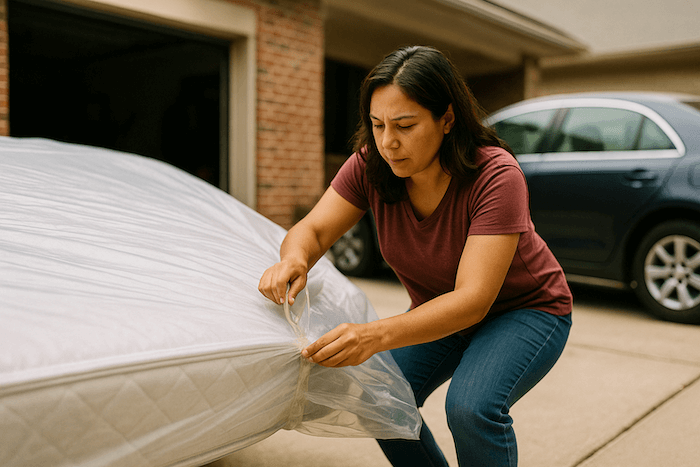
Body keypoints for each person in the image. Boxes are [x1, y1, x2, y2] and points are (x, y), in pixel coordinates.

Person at [258, 45, 572, 467]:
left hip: (526, 311)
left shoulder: (496, 175)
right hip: (439, 311)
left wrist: (372, 336)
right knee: (381, 397)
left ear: (447, 119)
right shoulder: (370, 165)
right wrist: (295, 258)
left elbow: (473, 300)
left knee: (470, 408)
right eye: (377, 125)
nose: (388, 142)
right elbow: (312, 230)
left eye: (405, 125)